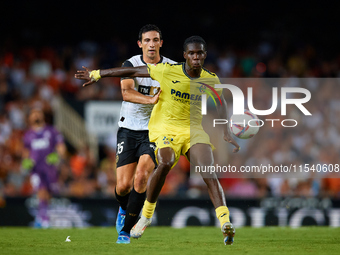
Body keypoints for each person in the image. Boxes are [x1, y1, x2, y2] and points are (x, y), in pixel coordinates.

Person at [75, 36, 240, 245]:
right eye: (192, 53)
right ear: (185, 56)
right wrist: (98, 73)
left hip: (193, 130)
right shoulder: (167, 70)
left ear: (205, 55)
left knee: (208, 171)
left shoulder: (210, 79)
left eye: (199, 53)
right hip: (165, 129)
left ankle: (225, 223)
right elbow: (131, 72)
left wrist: (226, 130)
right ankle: (146, 215)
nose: (196, 57)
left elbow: (221, 101)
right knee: (164, 162)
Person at [84, 25, 175, 244]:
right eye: (147, 40)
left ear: (161, 43)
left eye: (155, 40)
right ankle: (124, 209)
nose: (151, 44)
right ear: (140, 44)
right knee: (123, 186)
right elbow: (126, 92)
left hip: (155, 130)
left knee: (142, 175)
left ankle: (125, 231)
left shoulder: (172, 67)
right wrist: (151, 100)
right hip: (129, 128)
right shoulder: (131, 64)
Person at [22, 108, 66, 228]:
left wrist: (56, 156)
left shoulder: (51, 131)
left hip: (49, 168)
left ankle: (43, 215)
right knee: (41, 190)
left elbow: (61, 147)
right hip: (36, 168)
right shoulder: (28, 135)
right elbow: (26, 151)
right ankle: (43, 219)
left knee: (48, 193)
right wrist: (26, 162)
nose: (36, 115)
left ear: (42, 115)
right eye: (33, 113)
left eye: (38, 113)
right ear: (30, 118)